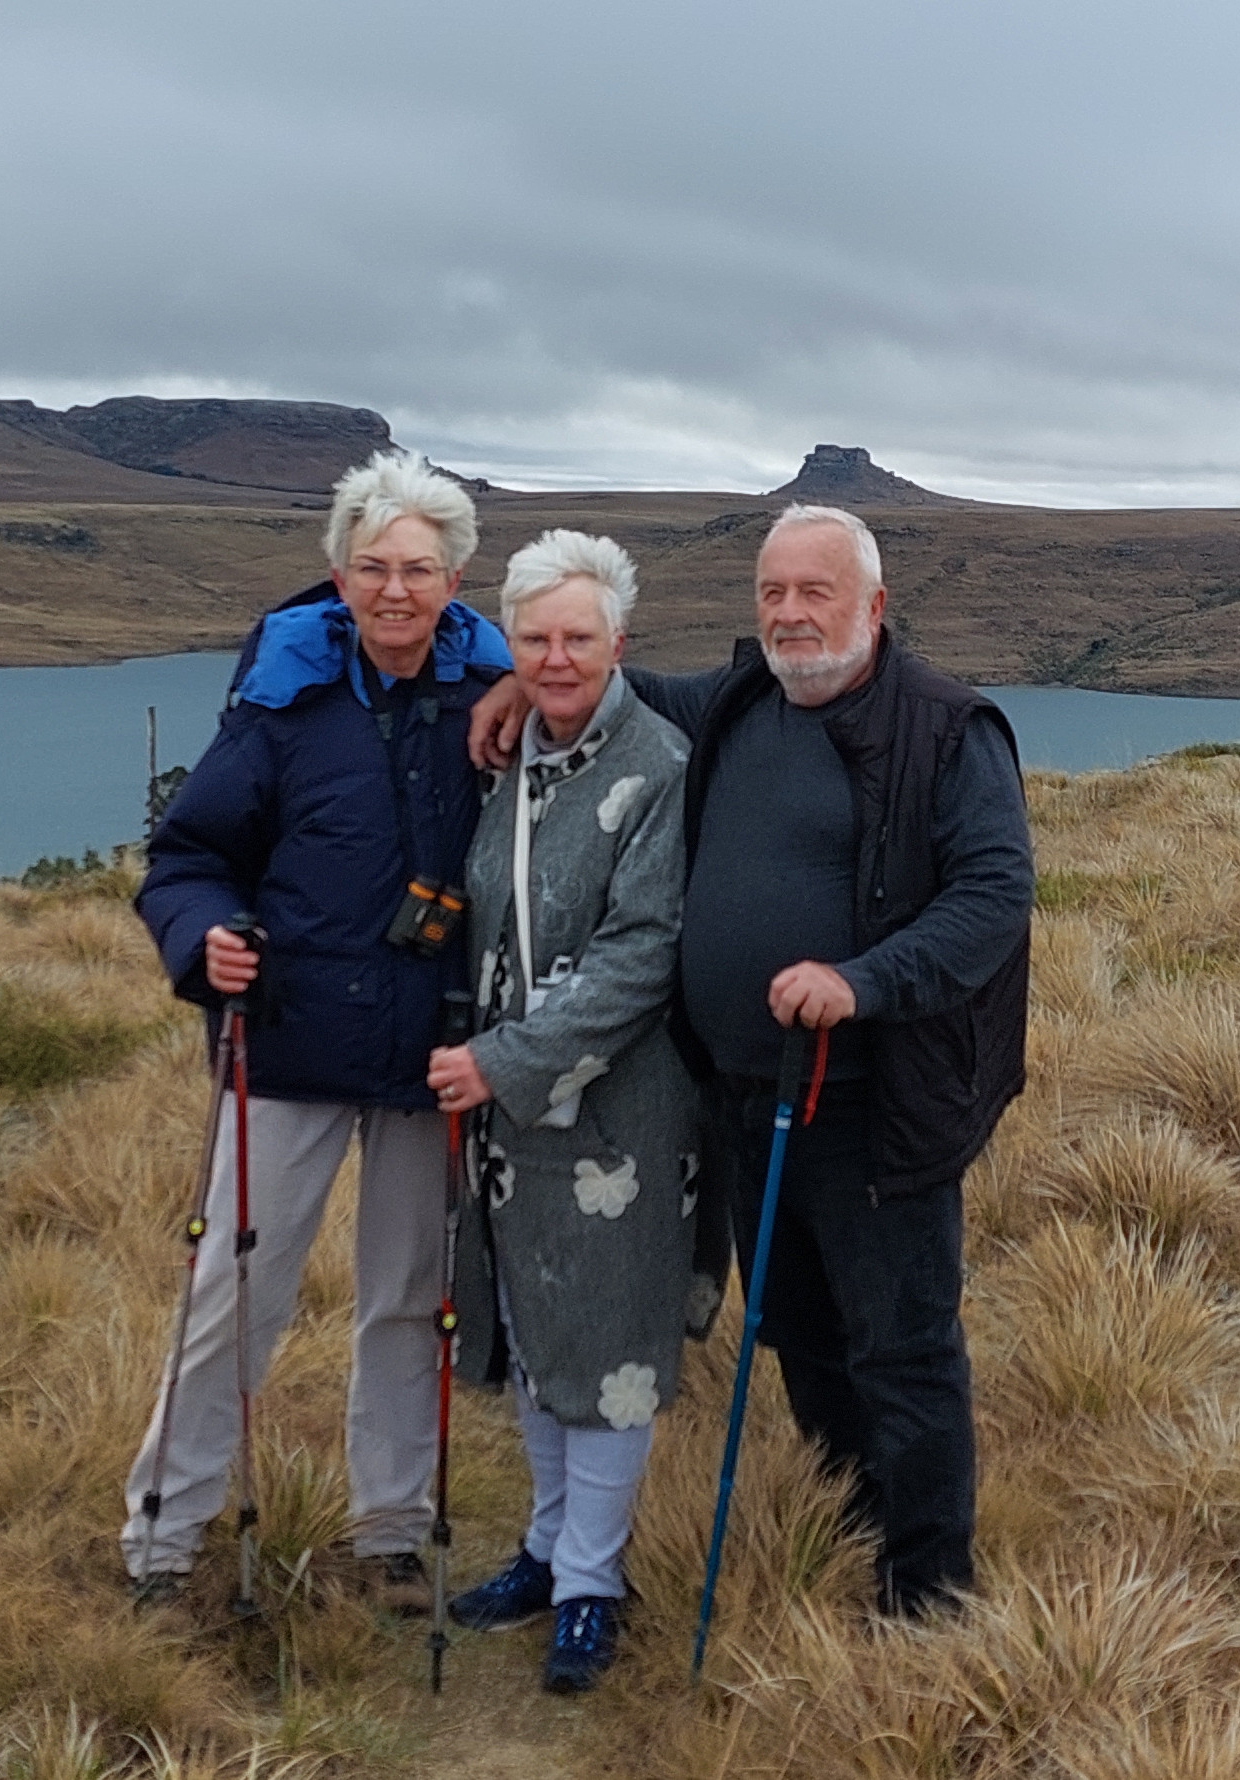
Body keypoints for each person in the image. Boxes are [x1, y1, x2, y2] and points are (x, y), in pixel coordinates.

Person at [469, 503, 1033, 1617]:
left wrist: (861, 980)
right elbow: (608, 687)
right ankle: (852, 1525)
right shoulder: (738, 698)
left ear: (872, 604)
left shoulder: (948, 729)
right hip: (742, 1098)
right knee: (801, 1334)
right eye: (772, 591)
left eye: (813, 592)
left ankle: (929, 1595)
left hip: (875, 1106)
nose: (788, 613)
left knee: (901, 1349)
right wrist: (512, 683)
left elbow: (992, 897)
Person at [122, 451, 510, 1610]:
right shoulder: (279, 701)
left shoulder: (494, 696)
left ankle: (391, 1529)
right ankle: (163, 1534)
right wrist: (205, 941)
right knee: (234, 1296)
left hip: (427, 1051)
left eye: (420, 570)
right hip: (283, 1041)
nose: (395, 591)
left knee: (406, 1297)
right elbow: (186, 859)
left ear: (456, 580)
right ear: (338, 575)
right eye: (374, 567)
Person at [425, 529, 714, 1692]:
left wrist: (506, 1059)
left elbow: (643, 954)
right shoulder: (514, 760)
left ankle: (594, 1582)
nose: (554, 658)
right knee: (540, 1336)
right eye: (534, 638)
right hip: (509, 1116)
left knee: (610, 1346)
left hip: (622, 1118)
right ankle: (547, 1551)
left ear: (619, 645)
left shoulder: (660, 767)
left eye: (577, 639)